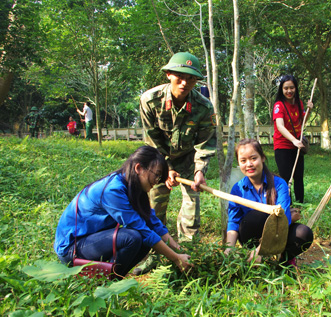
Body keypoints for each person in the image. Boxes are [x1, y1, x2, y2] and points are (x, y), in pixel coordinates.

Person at [54, 146, 192, 278]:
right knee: (133, 237)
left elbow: (151, 220)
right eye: (156, 175)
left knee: (144, 240)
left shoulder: (133, 186)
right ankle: (106, 282)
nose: (156, 182)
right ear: (139, 168)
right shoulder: (113, 190)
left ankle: (113, 278)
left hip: (90, 240)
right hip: (71, 248)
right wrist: (176, 258)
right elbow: (141, 229)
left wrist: (175, 247)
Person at [139, 52, 216, 273]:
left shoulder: (204, 107)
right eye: (180, 76)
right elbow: (152, 140)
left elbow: (205, 143)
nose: (185, 83)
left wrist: (200, 170)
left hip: (189, 160)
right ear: (169, 74)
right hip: (156, 160)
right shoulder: (150, 100)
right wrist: (166, 168)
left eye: (191, 78)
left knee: (191, 208)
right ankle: (152, 255)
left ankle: (190, 258)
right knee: (154, 208)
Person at [225, 139, 314, 266]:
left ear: (262, 158)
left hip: (277, 232)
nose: (249, 164)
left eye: (253, 158)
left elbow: (283, 220)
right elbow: (233, 222)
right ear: (239, 163)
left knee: (303, 233)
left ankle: (283, 260)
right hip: (251, 236)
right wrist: (229, 249)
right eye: (243, 161)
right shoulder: (237, 189)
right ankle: (253, 255)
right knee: (255, 216)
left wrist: (261, 250)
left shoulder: (279, 184)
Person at [272, 75, 313, 205]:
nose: (289, 91)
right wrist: (293, 140)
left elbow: (302, 122)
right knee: (285, 178)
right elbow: (280, 126)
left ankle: (300, 202)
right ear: (281, 89)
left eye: (291, 88)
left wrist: (309, 110)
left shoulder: (299, 103)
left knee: (298, 176)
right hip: (282, 146)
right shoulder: (279, 105)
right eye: (286, 88)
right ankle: (286, 204)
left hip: (297, 146)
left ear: (295, 88)